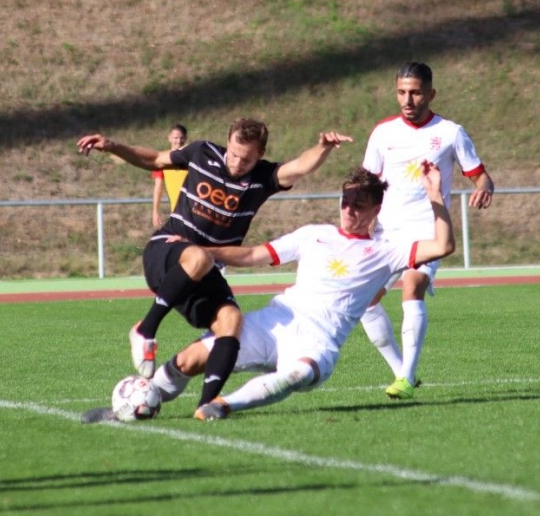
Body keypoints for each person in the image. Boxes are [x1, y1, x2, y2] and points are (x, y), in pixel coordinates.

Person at [76, 119, 352, 418]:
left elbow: (300, 166)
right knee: (199, 257)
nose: (237, 163)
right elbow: (155, 159)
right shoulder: (201, 152)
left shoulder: (263, 177)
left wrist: (323, 147)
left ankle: (206, 406)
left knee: (231, 320)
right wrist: (112, 146)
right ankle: (145, 329)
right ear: (227, 142)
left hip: (203, 269)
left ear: (260, 154)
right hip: (165, 251)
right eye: (233, 154)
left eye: (246, 159)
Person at [143, 163, 455, 421]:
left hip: (319, 341)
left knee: (300, 373)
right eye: (345, 202)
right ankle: (142, 398)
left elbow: (443, 245)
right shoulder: (313, 234)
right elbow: (253, 254)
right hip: (275, 322)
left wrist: (435, 195)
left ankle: (222, 406)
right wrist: (202, 249)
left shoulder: (387, 251)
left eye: (358, 205)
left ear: (376, 209)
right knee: (189, 360)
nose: (348, 210)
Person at [359, 61, 494, 400]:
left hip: (427, 229)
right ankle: (400, 370)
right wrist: (361, 218)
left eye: (416, 93)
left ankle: (406, 377)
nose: (408, 99)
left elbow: (480, 175)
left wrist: (484, 188)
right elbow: (367, 182)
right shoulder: (383, 132)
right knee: (365, 302)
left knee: (412, 285)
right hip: (387, 232)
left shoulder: (450, 132)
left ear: (431, 94)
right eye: (402, 92)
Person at [151, 124, 188, 229]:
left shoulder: (191, 159)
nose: (179, 141)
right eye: (176, 138)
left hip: (194, 211)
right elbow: (158, 188)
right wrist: (155, 211)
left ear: (185, 138)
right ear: (170, 138)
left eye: (181, 138)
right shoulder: (162, 160)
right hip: (177, 213)